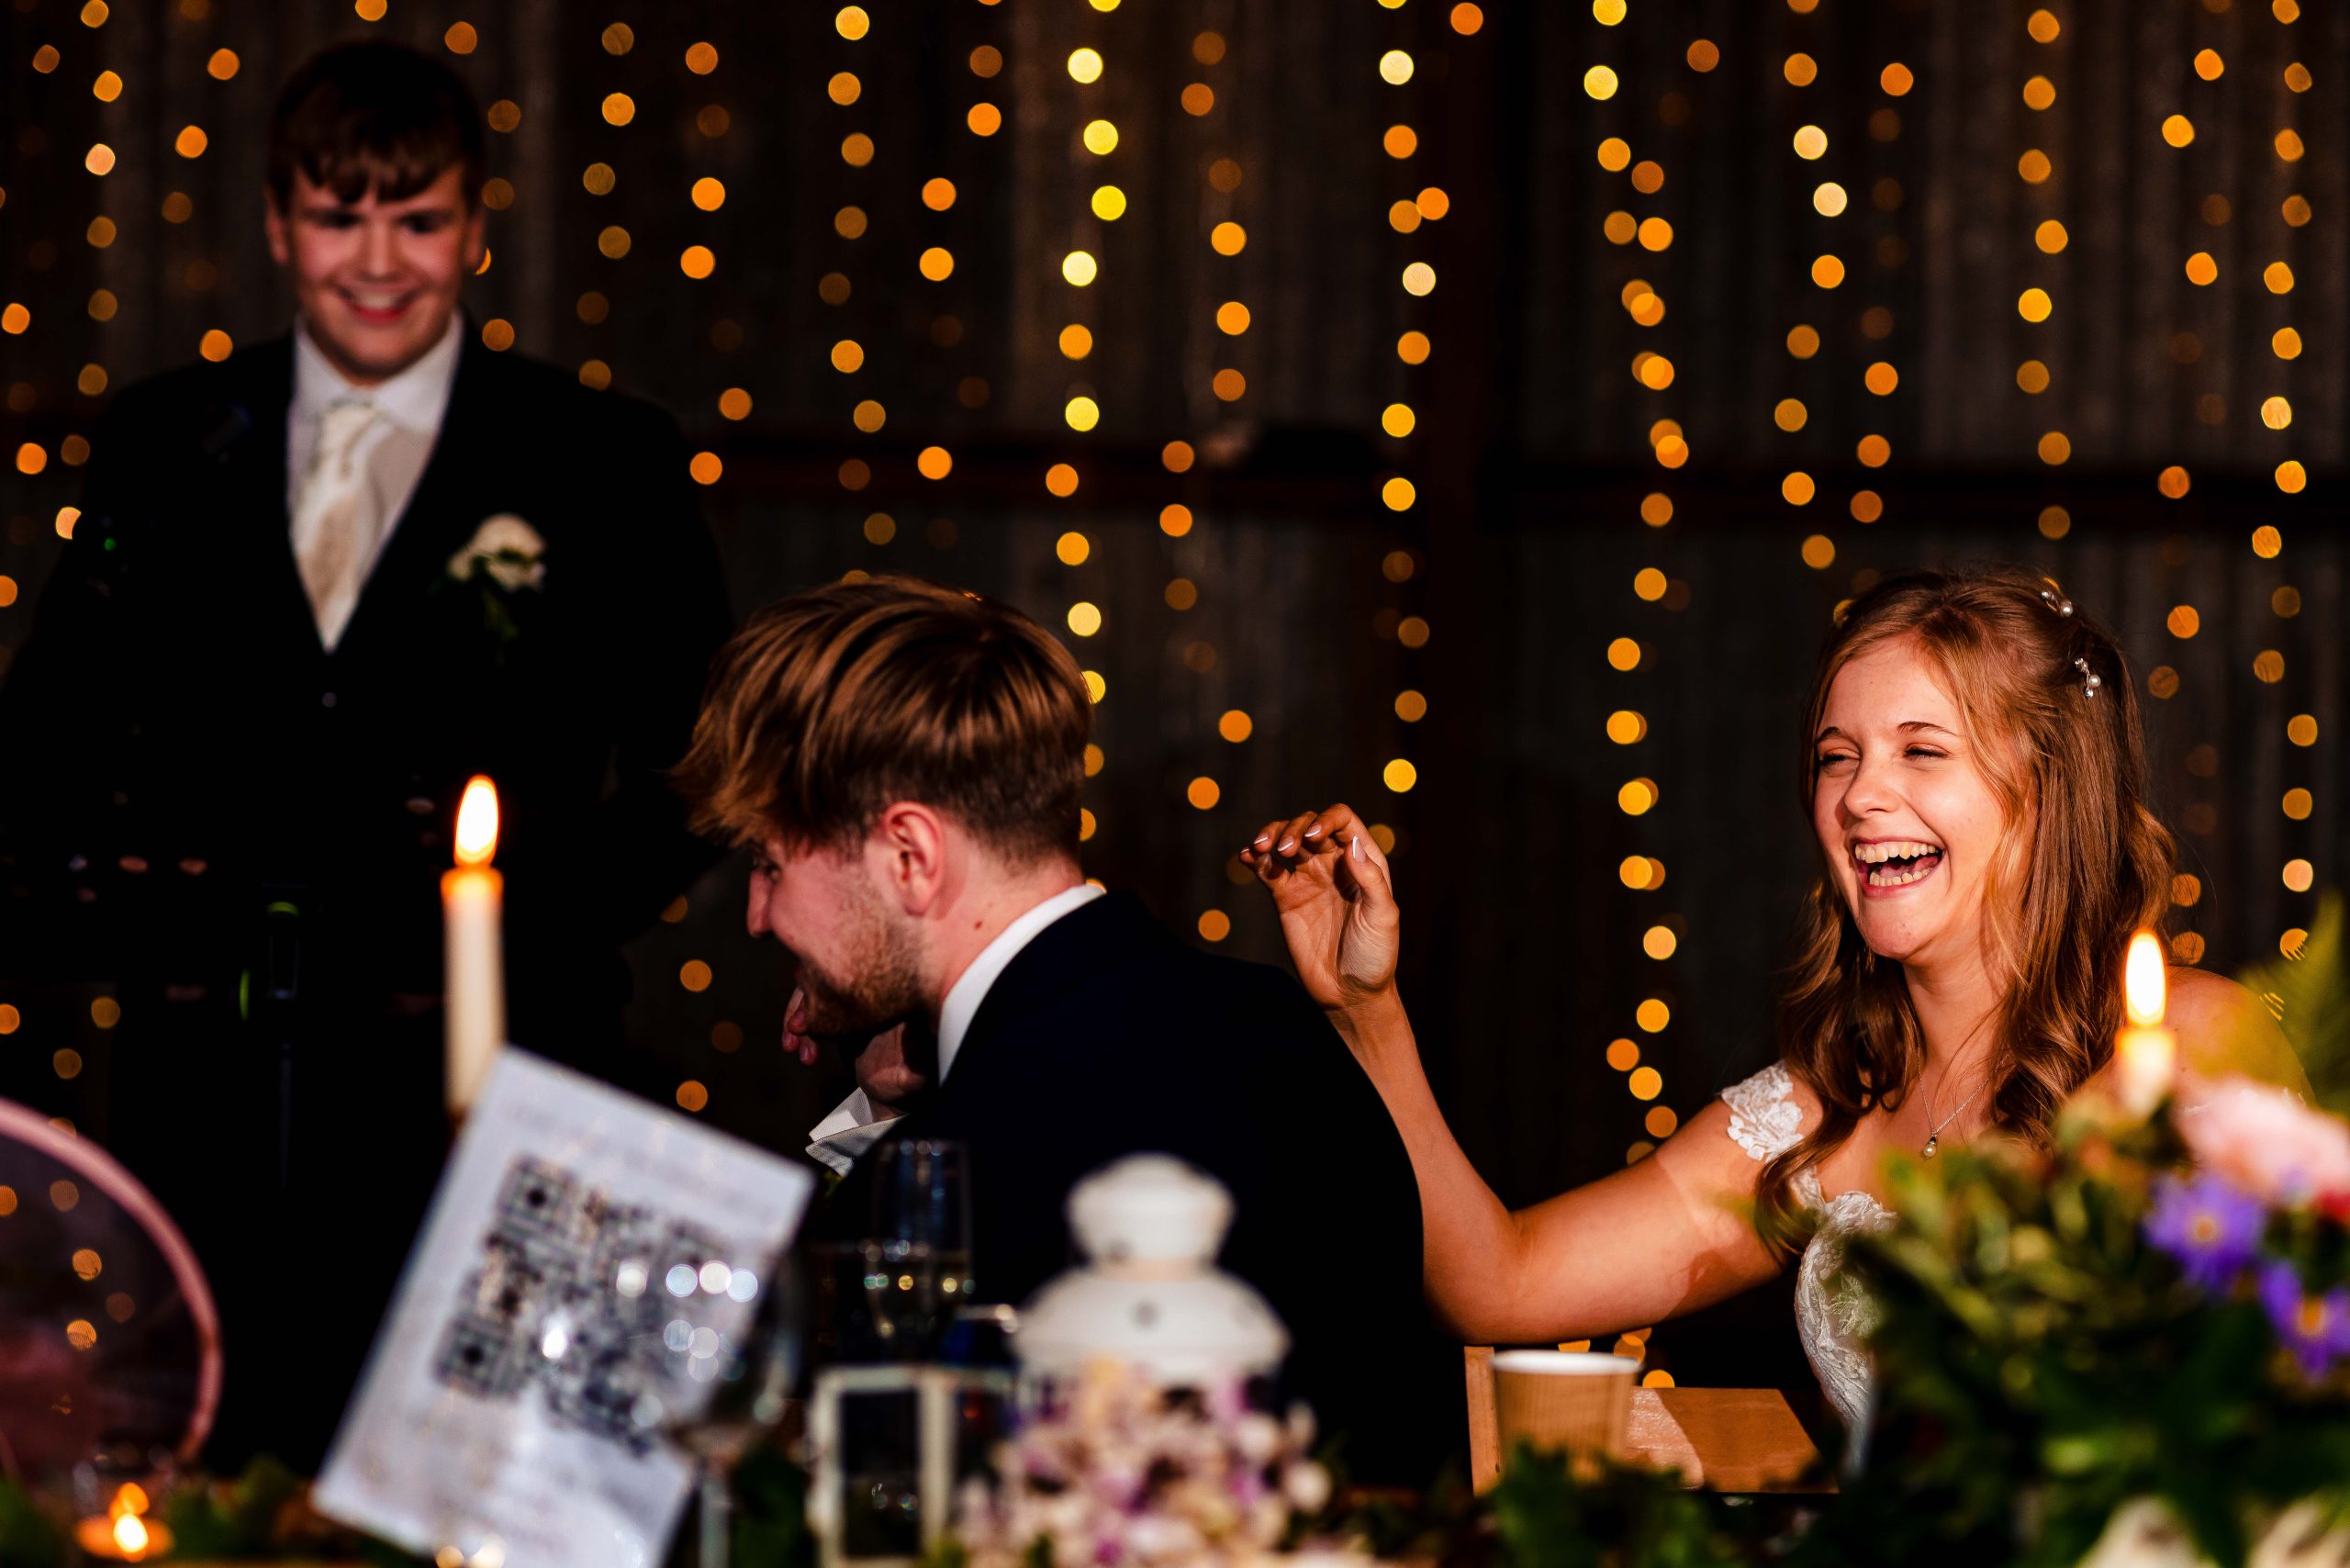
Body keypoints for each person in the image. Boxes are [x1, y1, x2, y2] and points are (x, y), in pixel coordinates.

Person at [0, 41, 729, 1466]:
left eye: (419, 219)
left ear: (474, 225)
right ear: (279, 224)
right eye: (341, 217)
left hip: (495, 1084)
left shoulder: (596, 457)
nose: (378, 261)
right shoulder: (164, 440)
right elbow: (47, 734)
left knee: (489, 1481)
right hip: (207, 1095)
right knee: (204, 1481)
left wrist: (528, 917)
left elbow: (704, 766)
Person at [1240, 566, 2308, 1453]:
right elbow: (1497, 1283)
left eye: (1920, 751)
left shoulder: (2192, 1044)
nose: (1857, 795)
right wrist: (1368, 1011)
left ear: (2050, 787)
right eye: (1834, 756)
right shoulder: (1815, 1113)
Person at [675, 576, 1456, 1484]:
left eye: (771, 863)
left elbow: (837, 1476)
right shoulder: (1283, 1024)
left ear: (912, 857)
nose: (758, 915)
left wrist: (895, 1144)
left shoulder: (959, 1170)